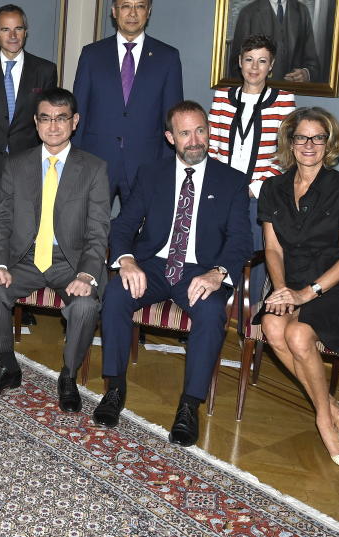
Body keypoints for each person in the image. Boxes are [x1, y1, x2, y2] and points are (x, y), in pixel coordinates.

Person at [93, 101, 251, 447]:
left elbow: (241, 241)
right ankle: (114, 389)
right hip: (153, 264)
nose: (194, 140)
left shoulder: (232, 182)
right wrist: (127, 260)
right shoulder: (152, 174)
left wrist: (218, 273)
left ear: (208, 131)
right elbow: (122, 226)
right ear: (170, 137)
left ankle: (188, 405)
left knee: (211, 313)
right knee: (117, 294)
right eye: (185, 133)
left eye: (200, 130)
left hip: (200, 270)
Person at [0, 88, 110, 411]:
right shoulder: (17, 165)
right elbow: (1, 220)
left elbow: (98, 230)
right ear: (36, 123)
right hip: (26, 258)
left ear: (74, 122)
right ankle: (8, 366)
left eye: (61, 118)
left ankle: (67, 375)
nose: (53, 126)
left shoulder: (93, 169)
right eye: (46, 118)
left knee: (85, 306)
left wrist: (88, 273)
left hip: (71, 261)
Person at [257, 107, 339, 469]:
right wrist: (281, 290)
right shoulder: (272, 188)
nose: (309, 144)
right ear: (290, 142)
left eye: (317, 137)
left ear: (328, 143)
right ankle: (334, 407)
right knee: (274, 327)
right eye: (301, 137)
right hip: (291, 284)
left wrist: (306, 294)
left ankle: (324, 420)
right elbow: (273, 249)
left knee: (300, 336)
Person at [72, 0, 183, 205]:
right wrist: (75, 159)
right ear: (114, 11)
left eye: (140, 6)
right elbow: (79, 112)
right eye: (126, 6)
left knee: (140, 236)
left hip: (146, 163)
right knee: (90, 234)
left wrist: (166, 165)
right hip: (96, 161)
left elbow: (173, 119)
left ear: (148, 12)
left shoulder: (167, 57)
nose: (132, 13)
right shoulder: (91, 55)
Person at [209, 34, 296, 303]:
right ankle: (213, 308)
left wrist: (253, 188)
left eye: (262, 61)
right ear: (239, 62)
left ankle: (248, 318)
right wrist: (221, 185)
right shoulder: (223, 96)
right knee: (214, 248)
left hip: (260, 194)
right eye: (249, 60)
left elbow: (285, 155)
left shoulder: (284, 100)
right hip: (222, 190)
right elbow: (213, 147)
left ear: (271, 65)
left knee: (255, 253)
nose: (254, 67)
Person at [0, 3, 58, 224]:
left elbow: (47, 119)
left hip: (29, 165)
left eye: (19, 28)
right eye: (6, 29)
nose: (13, 35)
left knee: (24, 229)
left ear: (26, 32)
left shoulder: (45, 70)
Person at [228, 0, 319, 83]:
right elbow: (235, 65)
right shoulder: (248, 14)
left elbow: (313, 64)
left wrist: (306, 74)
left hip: (293, 96)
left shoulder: (302, 12)